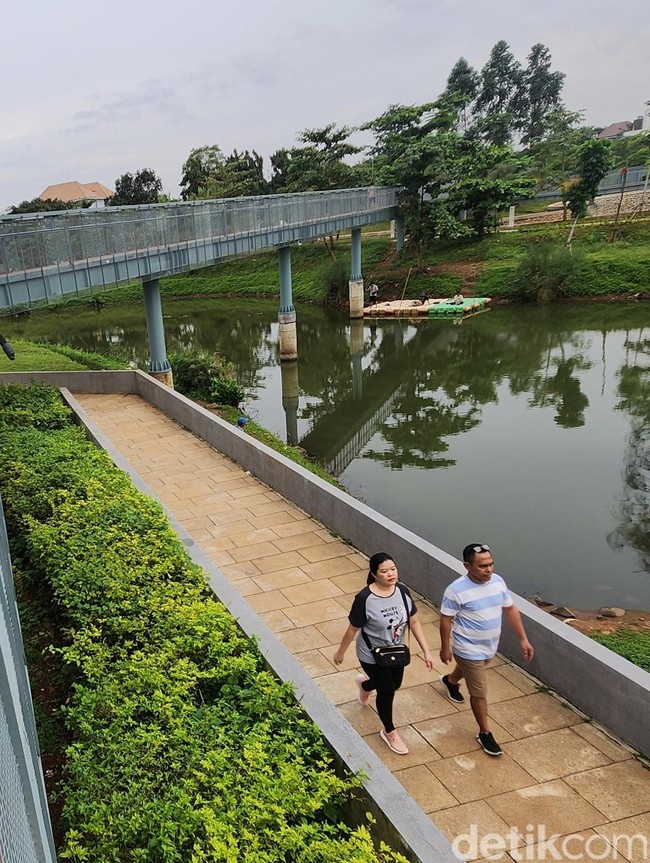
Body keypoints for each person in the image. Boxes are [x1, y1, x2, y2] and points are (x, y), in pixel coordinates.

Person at [334, 552, 434, 755]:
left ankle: (365, 685)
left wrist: (426, 651)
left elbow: (413, 621)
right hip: (371, 654)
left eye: (393, 569)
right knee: (387, 690)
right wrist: (340, 653)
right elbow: (352, 629)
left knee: (394, 684)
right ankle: (389, 731)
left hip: (396, 651)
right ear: (374, 573)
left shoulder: (403, 592)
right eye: (384, 571)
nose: (390, 574)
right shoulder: (365, 598)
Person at [439, 543, 534, 757]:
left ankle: (451, 681)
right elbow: (446, 620)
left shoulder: (498, 582)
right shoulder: (456, 590)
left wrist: (523, 639)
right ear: (467, 565)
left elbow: (510, 609)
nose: (489, 569)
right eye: (483, 566)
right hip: (467, 648)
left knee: (474, 671)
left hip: (490, 647)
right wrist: (446, 648)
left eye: (491, 564)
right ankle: (485, 733)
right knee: (479, 692)